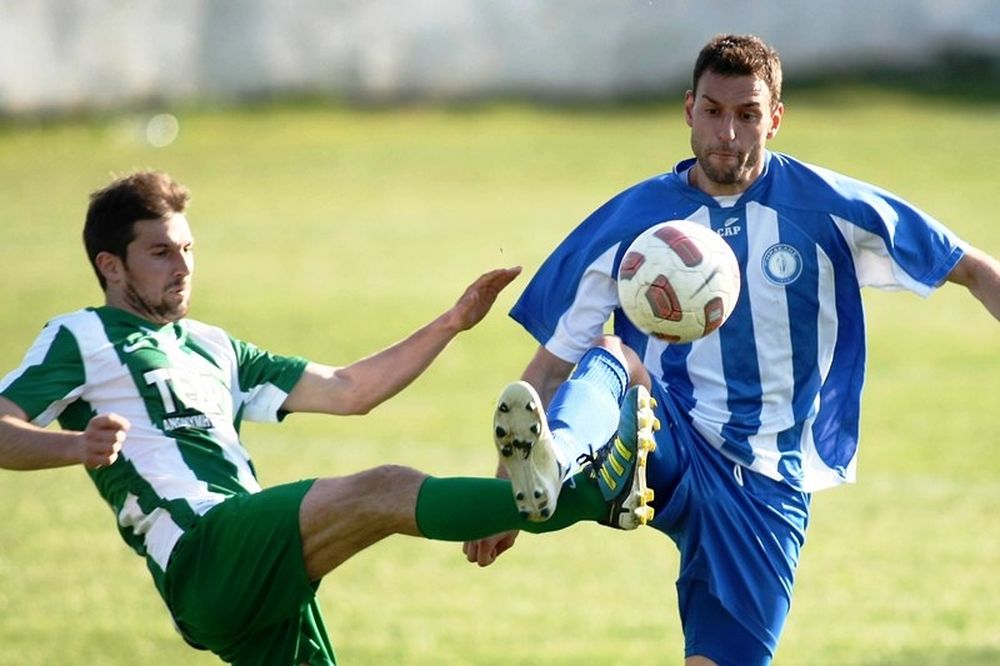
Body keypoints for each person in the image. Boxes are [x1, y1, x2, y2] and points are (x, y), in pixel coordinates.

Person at [463, 33, 1000, 666]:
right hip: (663, 438)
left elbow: (969, 267)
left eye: (747, 115)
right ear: (689, 108)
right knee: (613, 354)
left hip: (768, 480)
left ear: (774, 118)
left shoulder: (828, 205)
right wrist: (506, 493)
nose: (729, 133)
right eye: (714, 111)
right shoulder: (632, 219)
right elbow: (552, 365)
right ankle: (558, 463)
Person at [0, 170, 653, 665]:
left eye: (188, 249)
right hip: (206, 551)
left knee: (381, 499)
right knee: (382, 490)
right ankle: (584, 494)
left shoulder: (213, 345)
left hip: (257, 579)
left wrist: (451, 324)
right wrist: (73, 447)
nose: (183, 267)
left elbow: (349, 389)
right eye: (161, 253)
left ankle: (560, 495)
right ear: (111, 267)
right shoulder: (80, 336)